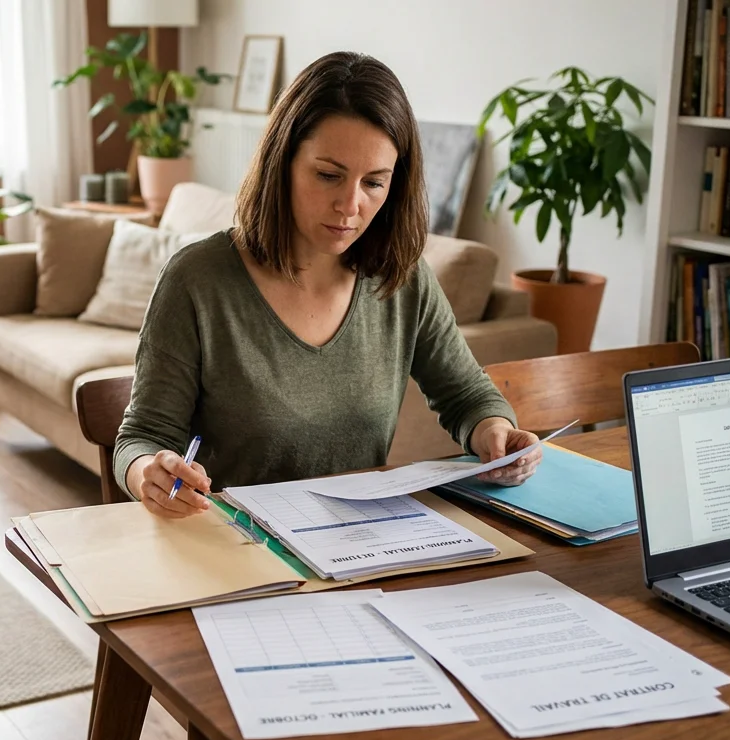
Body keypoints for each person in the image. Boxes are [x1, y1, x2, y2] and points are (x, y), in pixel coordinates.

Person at [115, 51, 541, 519]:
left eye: (374, 183)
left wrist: (495, 431)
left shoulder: (402, 278)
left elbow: (467, 397)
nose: (350, 204)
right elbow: (143, 437)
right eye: (328, 175)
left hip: (359, 549)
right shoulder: (197, 280)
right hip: (235, 550)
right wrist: (148, 473)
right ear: (283, 163)